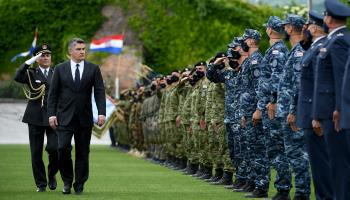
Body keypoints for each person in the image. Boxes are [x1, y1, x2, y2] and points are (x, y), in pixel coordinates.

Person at [47, 38, 106, 195]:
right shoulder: (60, 69)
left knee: (83, 152)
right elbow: (52, 94)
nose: (82, 52)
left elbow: (100, 91)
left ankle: (79, 183)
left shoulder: (93, 69)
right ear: (70, 52)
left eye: (83, 49)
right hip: (64, 118)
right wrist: (51, 114)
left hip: (84, 118)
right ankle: (67, 181)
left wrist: (101, 112)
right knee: (62, 148)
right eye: (79, 49)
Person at [313, 1, 350, 199]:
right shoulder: (333, 40)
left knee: (339, 163)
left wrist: (338, 108)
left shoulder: (340, 40)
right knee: (335, 162)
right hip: (329, 110)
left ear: (328, 18)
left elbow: (341, 76)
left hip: (334, 112)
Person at [296, 11, 333, 200]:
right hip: (310, 115)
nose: (305, 30)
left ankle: (326, 197)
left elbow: (321, 85)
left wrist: (316, 116)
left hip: (315, 116)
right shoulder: (314, 48)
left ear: (315, 28)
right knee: (318, 165)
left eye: (307, 27)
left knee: (322, 164)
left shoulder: (321, 49)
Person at [14, 43, 59, 192]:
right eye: (42, 55)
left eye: (48, 55)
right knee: (36, 153)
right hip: (34, 117)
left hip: (53, 117)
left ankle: (51, 175)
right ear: (37, 58)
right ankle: (41, 183)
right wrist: (30, 61)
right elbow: (17, 76)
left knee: (54, 149)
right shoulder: (31, 73)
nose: (45, 58)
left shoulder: (57, 72)